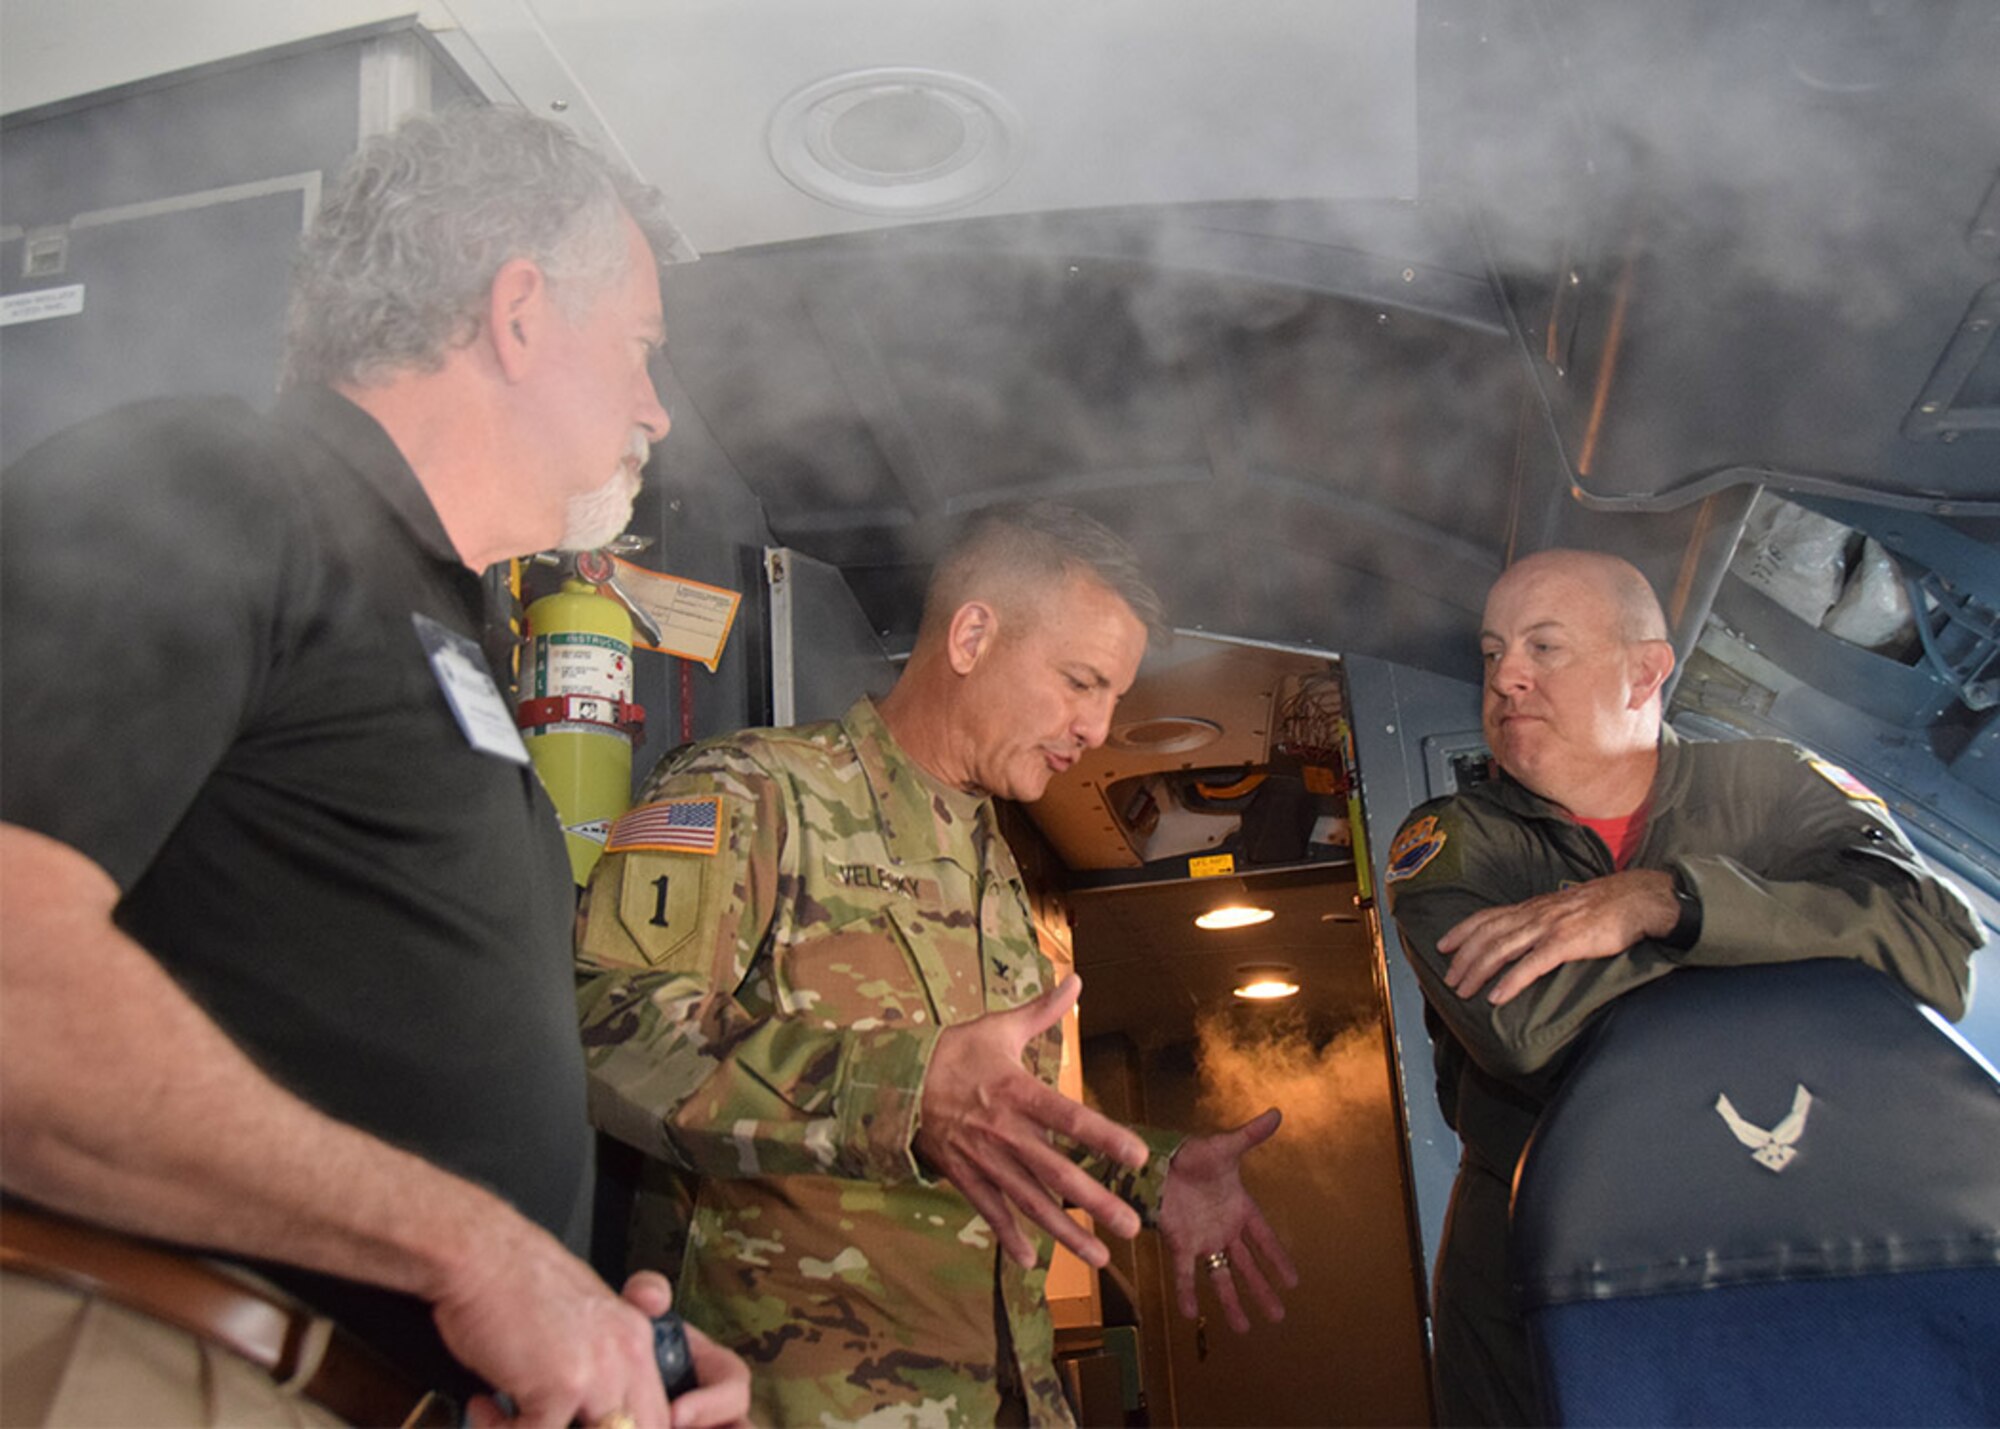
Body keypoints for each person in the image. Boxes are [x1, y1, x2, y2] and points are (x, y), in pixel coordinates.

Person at [0, 105, 748, 1428]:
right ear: (520, 313)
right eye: (641, 350)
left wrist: (583, 1337)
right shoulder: (212, 484)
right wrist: (474, 1250)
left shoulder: (448, 628)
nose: (656, 412)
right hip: (148, 1361)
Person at [576, 503, 1300, 1425]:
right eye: (1080, 681)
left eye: (1112, 696)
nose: (1095, 727)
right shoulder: (751, 790)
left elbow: (988, 1115)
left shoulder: (994, 866)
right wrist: (902, 1092)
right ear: (971, 634)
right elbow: (604, 1022)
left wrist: (1147, 1169)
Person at [1384, 547, 1984, 1426]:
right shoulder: (1455, 841)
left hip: (1778, 1244)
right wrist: (1784, 941)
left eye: (1543, 647)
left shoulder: (1773, 785)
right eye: (1491, 651)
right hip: (1540, 1267)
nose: (1506, 675)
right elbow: (1524, 1027)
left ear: (1645, 670)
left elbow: (1937, 948)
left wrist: (1668, 901)